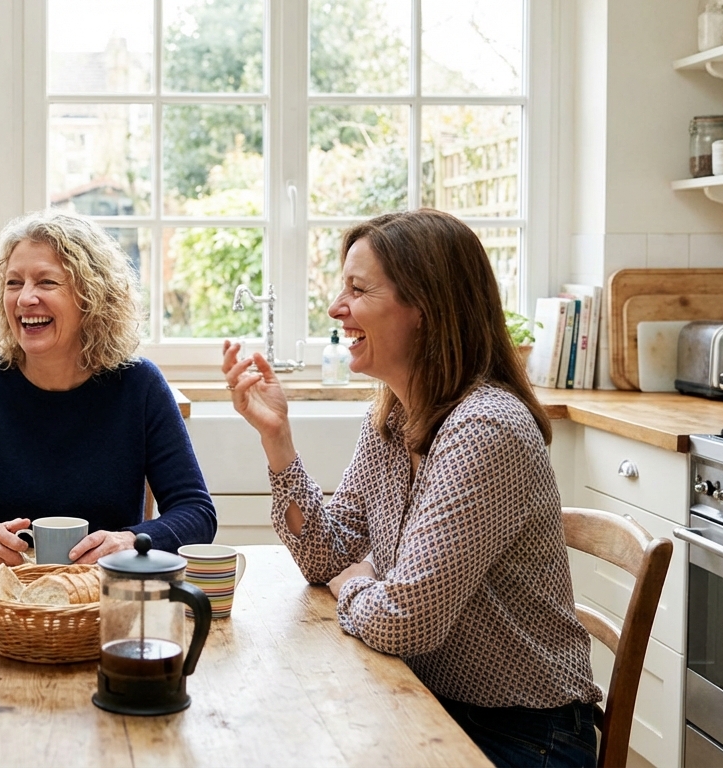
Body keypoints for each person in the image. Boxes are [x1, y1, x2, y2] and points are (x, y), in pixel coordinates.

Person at [224, 209, 602, 768]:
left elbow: (406, 620)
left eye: (358, 289)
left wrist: (353, 585)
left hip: (522, 736)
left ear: (424, 308)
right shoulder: (396, 417)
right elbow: (329, 555)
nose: (335, 309)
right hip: (430, 700)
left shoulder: (487, 429)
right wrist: (277, 437)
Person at [0, 209, 215, 569]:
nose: (24, 299)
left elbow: (197, 514)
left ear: (92, 296)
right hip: (3, 595)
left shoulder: (139, 385)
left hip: (103, 595)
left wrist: (130, 542)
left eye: (46, 282)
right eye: (13, 283)